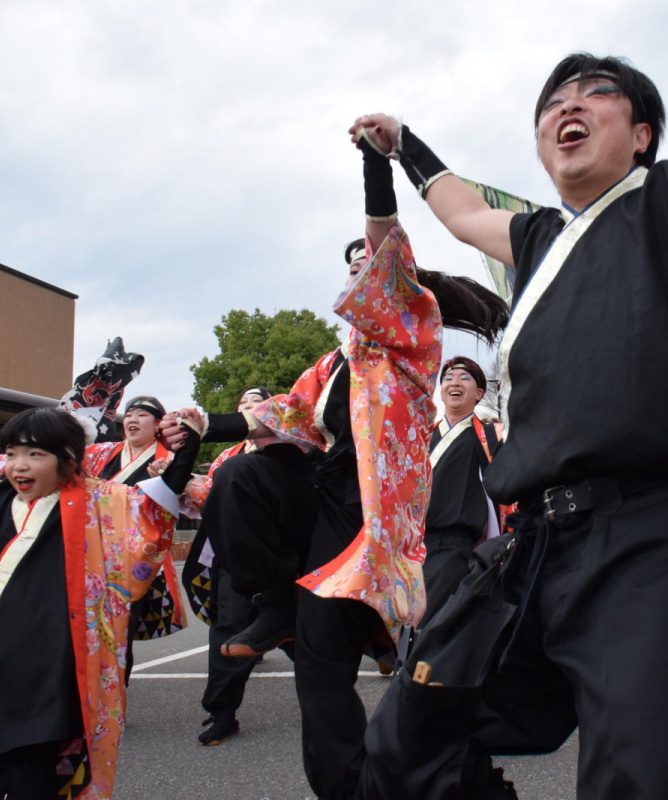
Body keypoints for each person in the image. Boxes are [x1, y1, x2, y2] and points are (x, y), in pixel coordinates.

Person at [349, 33, 668, 795]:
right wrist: (401, 146)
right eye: (553, 102)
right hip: (535, 541)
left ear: (641, 135)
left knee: (641, 775)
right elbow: (462, 213)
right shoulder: (538, 236)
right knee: (408, 740)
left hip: (646, 537)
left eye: (597, 92)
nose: (568, 105)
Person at [161, 137, 508, 799]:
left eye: (368, 265)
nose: (359, 273)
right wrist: (209, 424)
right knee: (238, 477)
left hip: (374, 519)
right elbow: (285, 415)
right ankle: (275, 607)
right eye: (351, 268)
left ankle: (377, 762)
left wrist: (377, 163)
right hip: (323, 505)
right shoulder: (330, 365)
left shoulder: (411, 344)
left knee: (338, 668)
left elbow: (385, 241)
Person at [0, 406, 201, 799]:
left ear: (69, 459)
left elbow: (151, 511)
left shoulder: (100, 503)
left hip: (41, 672)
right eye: (11, 453)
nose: (19, 465)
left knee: (22, 774)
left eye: (35, 454)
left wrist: (184, 454)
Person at [172, 386, 291, 747]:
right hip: (234, 557)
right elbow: (210, 498)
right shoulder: (227, 456)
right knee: (228, 628)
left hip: (284, 556)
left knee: (303, 631)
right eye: (243, 403)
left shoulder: (291, 446)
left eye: (257, 402)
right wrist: (185, 483)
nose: (249, 407)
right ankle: (222, 711)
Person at [86, 395, 185, 682]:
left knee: (120, 626)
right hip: (93, 550)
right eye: (129, 414)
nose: (132, 419)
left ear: (158, 425)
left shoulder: (168, 459)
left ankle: (115, 687)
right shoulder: (103, 453)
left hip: (136, 555)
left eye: (141, 415)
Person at [421, 356, 502, 627]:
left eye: (464, 378)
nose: (454, 383)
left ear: (478, 394)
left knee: (427, 621)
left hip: (454, 546)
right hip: (412, 544)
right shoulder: (421, 435)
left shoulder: (491, 437)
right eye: (448, 378)